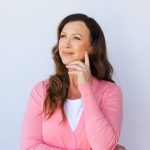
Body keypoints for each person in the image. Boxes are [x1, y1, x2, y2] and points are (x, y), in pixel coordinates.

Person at [21, 13, 125, 150]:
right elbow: (29, 146)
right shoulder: (42, 90)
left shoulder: (110, 91)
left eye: (76, 38)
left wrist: (86, 89)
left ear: (92, 46)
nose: (66, 44)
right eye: (63, 36)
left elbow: (103, 146)